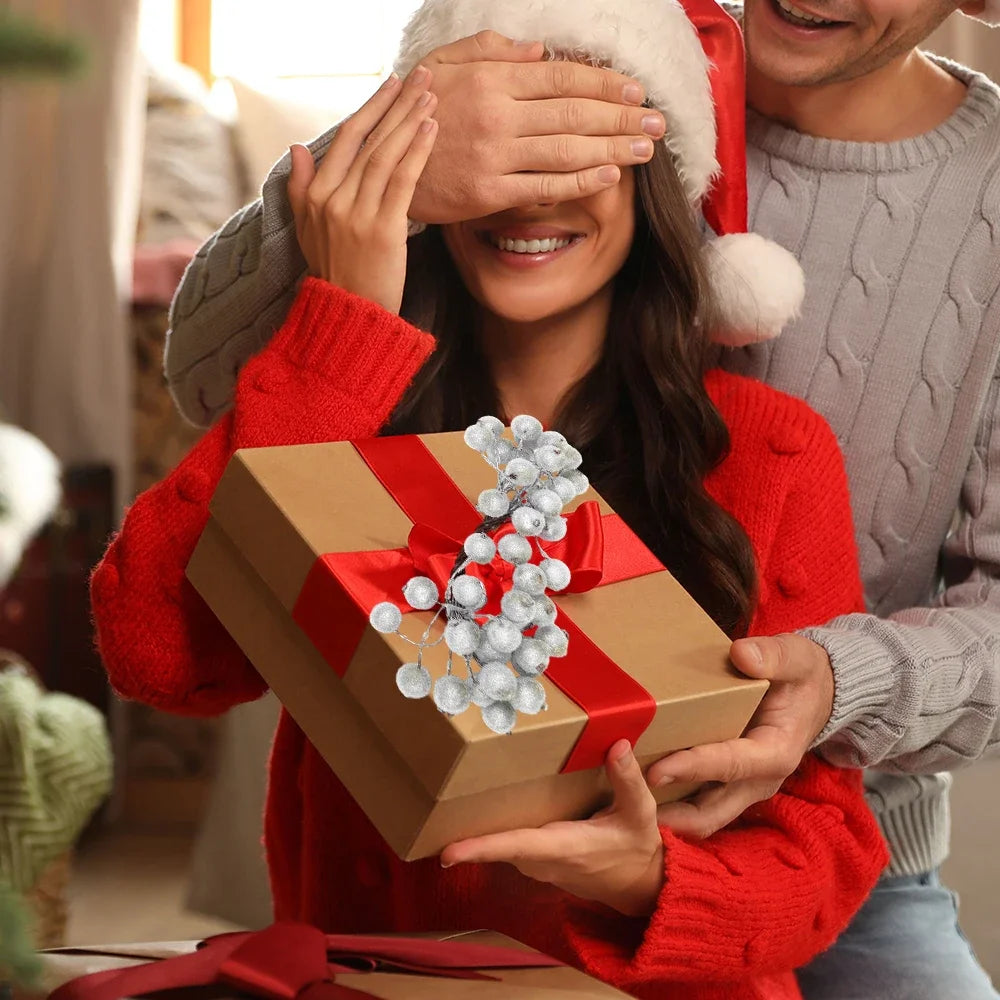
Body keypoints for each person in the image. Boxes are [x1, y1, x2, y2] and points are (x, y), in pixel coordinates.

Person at [162, 0, 1000, 994]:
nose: (535, 200)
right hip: (406, 907)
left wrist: (833, 678)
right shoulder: (578, 42)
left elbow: (816, 838)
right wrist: (385, 149)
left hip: (823, 845)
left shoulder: (770, 454)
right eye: (525, 161)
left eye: (579, 166)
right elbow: (189, 523)